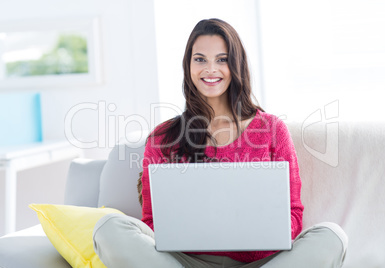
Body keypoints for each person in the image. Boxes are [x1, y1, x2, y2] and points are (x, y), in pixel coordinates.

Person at [92, 18, 348, 268]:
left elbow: (293, 217)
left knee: (331, 237)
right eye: (200, 59)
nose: (210, 69)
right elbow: (150, 225)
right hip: (184, 262)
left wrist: (251, 236)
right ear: (188, 66)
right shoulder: (163, 138)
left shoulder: (271, 130)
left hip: (260, 262)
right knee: (108, 228)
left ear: (236, 65)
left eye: (222, 59)